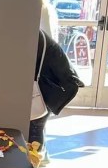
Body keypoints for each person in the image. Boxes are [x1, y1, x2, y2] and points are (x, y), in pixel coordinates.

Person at [29, 21, 82, 152]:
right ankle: (36, 159)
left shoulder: (34, 37)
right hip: (53, 84)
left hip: (51, 88)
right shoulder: (37, 35)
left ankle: (33, 162)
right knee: (37, 127)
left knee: (35, 126)